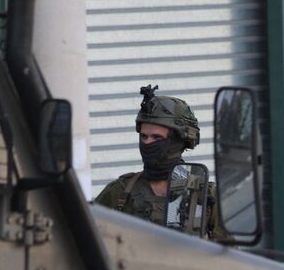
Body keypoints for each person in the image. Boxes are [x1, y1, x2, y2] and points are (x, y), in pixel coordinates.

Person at [94, 85, 225, 239]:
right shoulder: (120, 192)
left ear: (179, 141)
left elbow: (230, 254)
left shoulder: (206, 195)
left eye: (156, 138)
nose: (148, 143)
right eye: (144, 137)